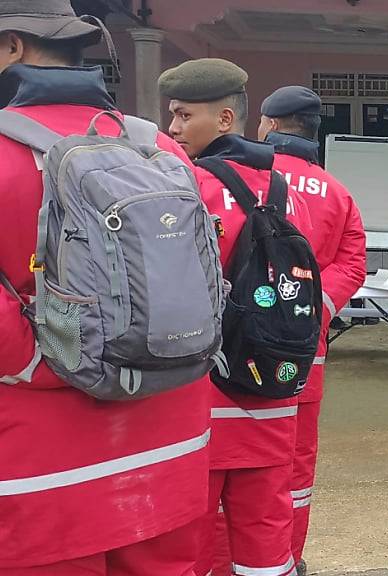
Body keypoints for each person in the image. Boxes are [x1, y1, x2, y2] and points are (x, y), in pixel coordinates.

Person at [0, 4, 212, 574]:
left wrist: (60, 359)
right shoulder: (160, 151)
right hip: (168, 448)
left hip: (40, 468)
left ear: (14, 47)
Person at [160, 58, 313, 576]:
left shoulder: (184, 188)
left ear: (225, 120)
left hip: (203, 400)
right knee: (267, 537)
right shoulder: (289, 191)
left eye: (183, 116)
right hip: (272, 389)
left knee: (193, 540)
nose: (172, 128)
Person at [258, 85, 368, 575]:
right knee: (297, 464)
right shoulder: (337, 192)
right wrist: (312, 309)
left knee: (239, 464)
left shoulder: (237, 179)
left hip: (237, 354)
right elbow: (353, 263)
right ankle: (290, 559)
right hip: (306, 352)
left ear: (271, 125)